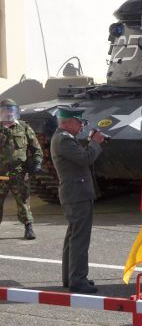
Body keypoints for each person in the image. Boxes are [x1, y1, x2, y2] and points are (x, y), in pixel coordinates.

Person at [50, 106, 105, 294]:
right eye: (79, 122)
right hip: (77, 195)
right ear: (67, 123)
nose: (82, 125)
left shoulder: (65, 138)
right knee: (80, 239)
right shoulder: (63, 140)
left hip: (76, 193)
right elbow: (85, 158)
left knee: (74, 238)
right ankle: (78, 280)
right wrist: (95, 143)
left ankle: (71, 277)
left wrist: (91, 142)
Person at [0, 98, 43, 240]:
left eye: (11, 110)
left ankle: (28, 227)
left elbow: (36, 147)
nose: (9, 113)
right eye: (6, 110)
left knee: (23, 201)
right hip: (0, 174)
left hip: (19, 172)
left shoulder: (23, 127)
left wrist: (37, 162)